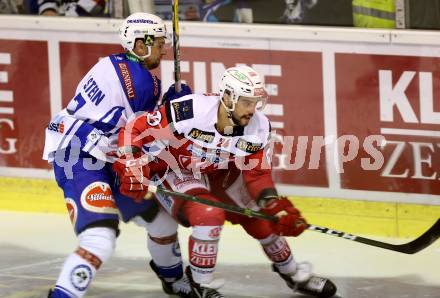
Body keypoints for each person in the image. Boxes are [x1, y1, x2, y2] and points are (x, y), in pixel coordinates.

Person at [114, 66, 338, 298]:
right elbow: (137, 126)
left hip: (218, 172)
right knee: (208, 213)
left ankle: (293, 274)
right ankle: (201, 284)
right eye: (246, 102)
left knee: (263, 218)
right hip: (175, 171)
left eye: (256, 103)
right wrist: (131, 161)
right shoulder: (192, 109)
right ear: (228, 97)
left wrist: (273, 204)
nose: (252, 110)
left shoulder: (258, 126)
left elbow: (257, 174)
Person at [42, 12, 193, 298]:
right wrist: (172, 113)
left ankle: (172, 280)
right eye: (159, 42)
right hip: (80, 157)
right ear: (140, 44)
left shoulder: (119, 66)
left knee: (161, 221)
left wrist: (166, 108)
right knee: (100, 236)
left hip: (104, 155)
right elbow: (142, 136)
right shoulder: (141, 81)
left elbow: (133, 128)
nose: (164, 48)